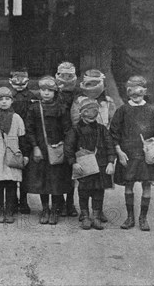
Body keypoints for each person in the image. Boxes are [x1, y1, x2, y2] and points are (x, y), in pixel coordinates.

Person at [110, 76, 154, 231]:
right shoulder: (122, 110)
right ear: (127, 93)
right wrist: (118, 151)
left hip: (146, 154)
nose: (136, 97)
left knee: (146, 184)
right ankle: (130, 217)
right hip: (127, 154)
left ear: (145, 92)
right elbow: (114, 132)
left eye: (139, 94)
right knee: (128, 185)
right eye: (132, 94)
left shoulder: (153, 110)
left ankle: (143, 218)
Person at [25, 76, 72, 225]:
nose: (46, 93)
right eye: (43, 90)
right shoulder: (33, 108)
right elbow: (29, 129)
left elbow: (67, 130)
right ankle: (45, 209)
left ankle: (55, 210)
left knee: (56, 181)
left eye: (49, 91)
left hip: (57, 150)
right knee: (42, 181)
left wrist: (64, 146)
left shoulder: (61, 108)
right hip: (40, 150)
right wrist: (35, 147)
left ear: (55, 92)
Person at [65, 98, 116, 230]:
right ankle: (86, 216)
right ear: (82, 113)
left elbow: (110, 146)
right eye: (88, 111)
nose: (92, 114)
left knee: (99, 192)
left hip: (101, 165)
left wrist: (111, 162)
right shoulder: (75, 130)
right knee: (83, 191)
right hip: (83, 166)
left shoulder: (102, 129)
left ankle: (96, 217)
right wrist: (73, 163)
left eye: (95, 110)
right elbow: (69, 148)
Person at [0, 87, 30, 223]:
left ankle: (9, 211)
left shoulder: (17, 118)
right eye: (0, 100)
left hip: (12, 154)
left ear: (11, 101)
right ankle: (0, 211)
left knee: (11, 184)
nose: (4, 102)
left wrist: (25, 155)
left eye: (7, 99)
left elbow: (23, 138)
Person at [8, 69, 37, 214]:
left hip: (26, 135)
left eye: (22, 80)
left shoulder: (32, 97)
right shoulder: (8, 97)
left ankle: (23, 200)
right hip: (11, 134)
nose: (19, 83)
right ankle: (12, 200)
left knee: (25, 169)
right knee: (12, 167)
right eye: (16, 79)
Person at [55, 61, 79, 218]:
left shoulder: (78, 93)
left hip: (74, 135)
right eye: (63, 75)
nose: (66, 78)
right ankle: (59, 203)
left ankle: (70, 203)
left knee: (72, 171)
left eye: (69, 75)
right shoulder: (54, 93)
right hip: (56, 134)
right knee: (57, 171)